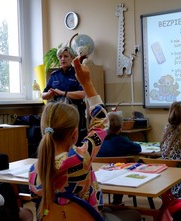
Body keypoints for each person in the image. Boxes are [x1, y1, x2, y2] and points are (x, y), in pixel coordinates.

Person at [29, 56, 141, 221]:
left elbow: (38, 205)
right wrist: (87, 83)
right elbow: (102, 122)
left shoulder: (34, 169)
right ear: (75, 134)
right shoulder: (80, 158)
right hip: (90, 217)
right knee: (134, 215)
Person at [42, 46, 87, 145]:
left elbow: (83, 93)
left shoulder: (77, 73)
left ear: (71, 58)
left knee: (75, 140)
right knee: (59, 140)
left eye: (66, 56)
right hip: (58, 114)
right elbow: (43, 95)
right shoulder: (54, 75)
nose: (63, 59)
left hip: (75, 112)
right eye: (60, 57)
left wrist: (64, 93)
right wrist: (49, 94)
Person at [97, 112, 142, 205]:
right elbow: (137, 148)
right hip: (119, 177)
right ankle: (117, 201)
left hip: (100, 175)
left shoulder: (98, 140)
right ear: (120, 128)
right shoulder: (121, 141)